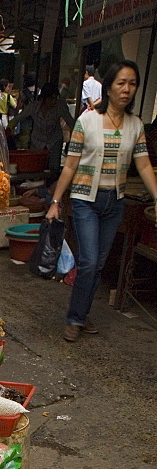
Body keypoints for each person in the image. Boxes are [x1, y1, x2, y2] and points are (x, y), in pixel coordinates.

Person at [45, 61, 157, 342]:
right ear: (108, 87)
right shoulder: (87, 119)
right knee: (89, 260)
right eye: (121, 83)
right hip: (85, 200)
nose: (126, 89)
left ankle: (80, 313)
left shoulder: (135, 125)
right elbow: (70, 165)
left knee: (98, 264)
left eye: (132, 83)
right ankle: (74, 318)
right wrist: (56, 200)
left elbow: (143, 165)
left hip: (115, 202)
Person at [10, 82, 75, 174]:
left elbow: (70, 122)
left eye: (55, 99)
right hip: (37, 140)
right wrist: (9, 128)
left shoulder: (60, 106)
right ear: (44, 98)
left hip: (54, 140)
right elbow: (19, 118)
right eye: (51, 99)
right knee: (35, 167)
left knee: (53, 168)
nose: (53, 102)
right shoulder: (34, 107)